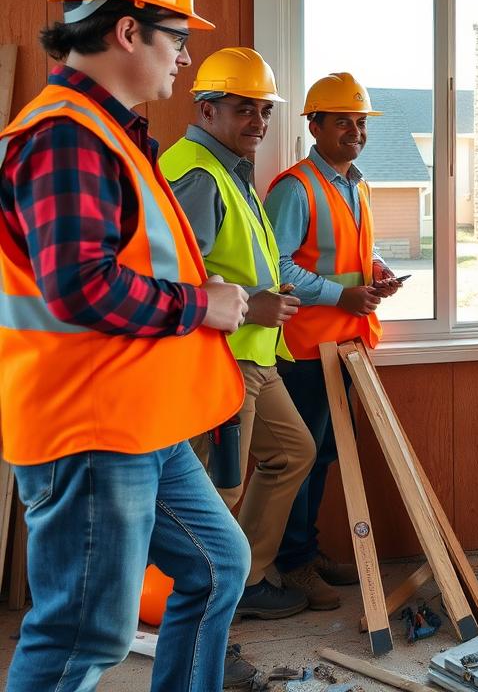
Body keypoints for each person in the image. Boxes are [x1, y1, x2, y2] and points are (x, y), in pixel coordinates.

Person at [0, 0, 255, 690]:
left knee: (217, 567)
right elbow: (79, 285)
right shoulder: (63, 139)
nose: (183, 58)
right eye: (177, 38)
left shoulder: (111, 134)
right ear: (126, 31)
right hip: (91, 429)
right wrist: (201, 306)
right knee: (84, 635)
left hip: (138, 419)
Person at [161, 47, 316, 620]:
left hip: (254, 357)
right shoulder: (199, 174)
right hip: (221, 357)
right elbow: (181, 284)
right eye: (243, 109)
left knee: (293, 452)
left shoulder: (231, 168)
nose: (258, 122)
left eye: (264, 111)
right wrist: (256, 309)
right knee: (217, 492)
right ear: (206, 109)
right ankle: (210, 609)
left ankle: (245, 579)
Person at [264, 72, 402, 609]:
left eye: (360, 121)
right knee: (301, 458)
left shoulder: (356, 184)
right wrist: (339, 296)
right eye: (342, 120)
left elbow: (344, 253)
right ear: (314, 124)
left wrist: (374, 267)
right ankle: (291, 564)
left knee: (321, 455)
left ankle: (307, 550)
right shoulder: (295, 188)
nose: (355, 130)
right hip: (303, 349)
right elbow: (274, 267)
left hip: (345, 347)